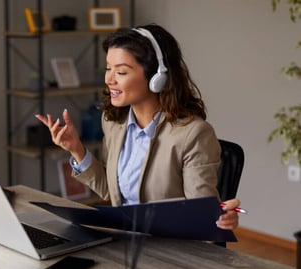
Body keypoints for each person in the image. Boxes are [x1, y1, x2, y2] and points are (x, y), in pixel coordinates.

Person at [35, 23, 240, 231]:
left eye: (121, 72)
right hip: (124, 242)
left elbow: (203, 221)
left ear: (156, 77)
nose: (109, 79)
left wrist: (220, 220)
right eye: (108, 69)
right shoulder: (113, 122)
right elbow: (110, 191)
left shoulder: (194, 134)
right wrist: (76, 149)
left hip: (170, 251)